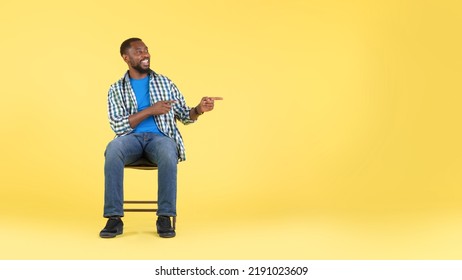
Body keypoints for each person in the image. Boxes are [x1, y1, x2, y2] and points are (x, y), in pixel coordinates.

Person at [100, 37, 222, 238]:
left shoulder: (165, 83)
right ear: (126, 57)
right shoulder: (116, 89)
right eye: (139, 51)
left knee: (168, 150)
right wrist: (150, 110)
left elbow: (184, 115)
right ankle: (114, 218)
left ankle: (165, 217)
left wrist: (200, 109)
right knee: (113, 148)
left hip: (160, 138)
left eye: (146, 50)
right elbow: (117, 124)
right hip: (130, 139)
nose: (145, 54)